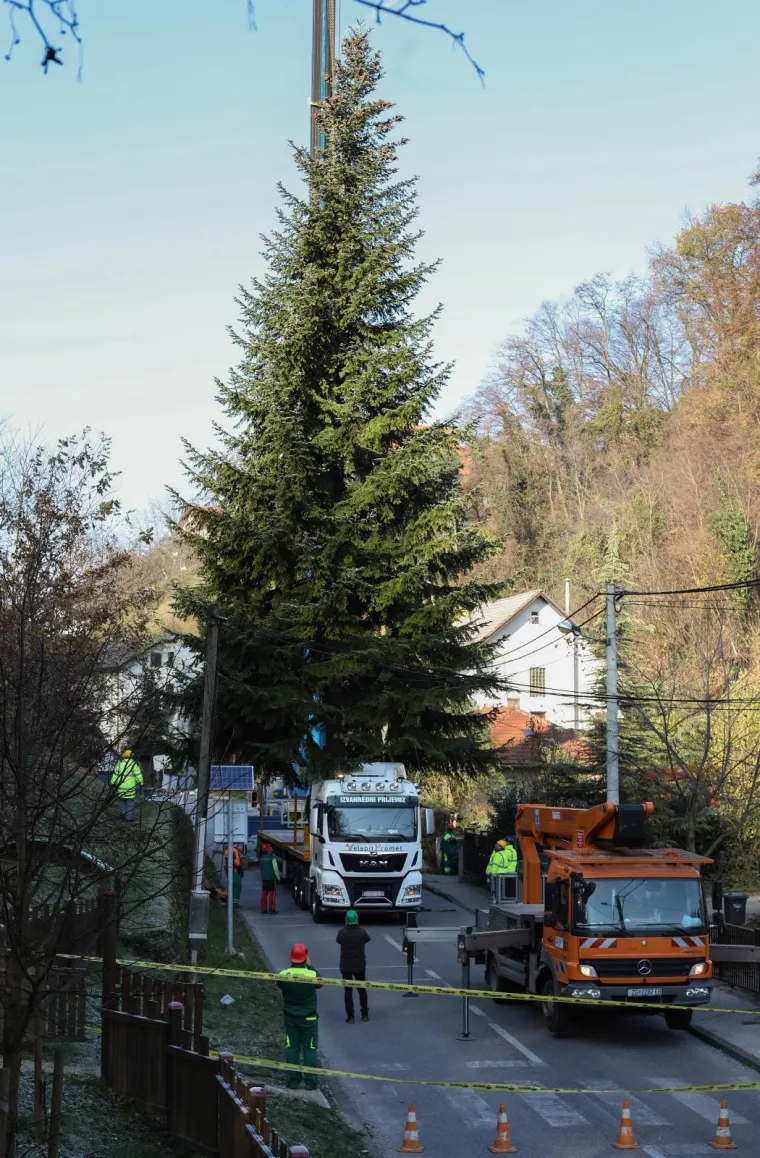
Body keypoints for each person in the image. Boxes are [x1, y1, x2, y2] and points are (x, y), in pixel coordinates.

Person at [277, 943, 322, 1090]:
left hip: (290, 1018)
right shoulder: (312, 974)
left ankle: (293, 1081)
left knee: (291, 1047)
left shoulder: (283, 975)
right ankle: (310, 1082)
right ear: (305, 957)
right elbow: (320, 984)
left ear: (290, 957)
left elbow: (280, 985)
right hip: (309, 1018)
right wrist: (311, 966)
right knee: (309, 1049)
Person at [336, 910, 371, 1023]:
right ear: (357, 919)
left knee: (348, 992)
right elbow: (367, 939)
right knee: (362, 990)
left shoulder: (342, 933)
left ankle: (350, 1016)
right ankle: (364, 1014)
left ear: (346, 920)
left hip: (345, 966)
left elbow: (338, 941)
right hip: (359, 965)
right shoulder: (362, 932)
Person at [110, 748, 143, 822]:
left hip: (121, 788)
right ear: (131, 756)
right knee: (130, 804)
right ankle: (128, 818)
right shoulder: (133, 764)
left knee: (122, 802)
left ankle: (122, 815)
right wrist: (141, 783)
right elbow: (138, 775)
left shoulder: (119, 764)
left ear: (124, 756)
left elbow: (115, 775)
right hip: (130, 788)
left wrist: (112, 783)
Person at [258, 842, 280, 913]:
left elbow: (261, 868)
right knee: (272, 894)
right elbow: (275, 869)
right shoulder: (272, 858)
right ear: (268, 849)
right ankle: (271, 908)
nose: (271, 848)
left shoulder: (262, 858)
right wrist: (278, 878)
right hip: (271, 878)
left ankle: (263, 909)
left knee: (264, 893)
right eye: (270, 847)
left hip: (264, 878)